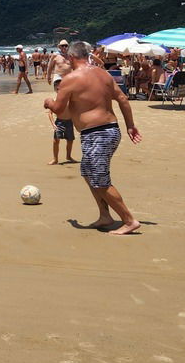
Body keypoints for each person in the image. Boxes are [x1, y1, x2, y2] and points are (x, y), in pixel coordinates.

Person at [44, 41, 142, 235]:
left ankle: (129, 220)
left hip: (98, 134)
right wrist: (130, 125)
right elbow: (122, 99)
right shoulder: (103, 73)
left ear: (71, 57)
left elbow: (58, 109)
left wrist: (48, 102)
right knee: (88, 173)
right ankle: (105, 215)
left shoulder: (70, 79)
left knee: (99, 178)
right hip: (109, 131)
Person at [46, 76, 75, 165]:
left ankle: (68, 156)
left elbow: (75, 109)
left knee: (70, 140)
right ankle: (55, 159)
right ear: (55, 89)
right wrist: (53, 125)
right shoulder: (55, 100)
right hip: (59, 122)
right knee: (56, 140)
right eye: (57, 88)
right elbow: (50, 113)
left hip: (69, 121)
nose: (59, 89)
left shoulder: (69, 99)